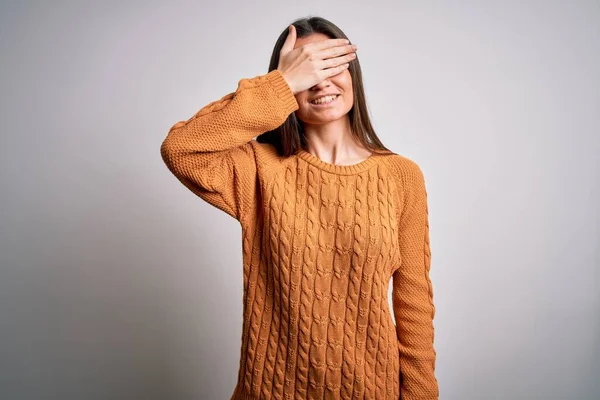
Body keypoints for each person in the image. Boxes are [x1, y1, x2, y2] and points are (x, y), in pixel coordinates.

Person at [160, 16, 439, 400]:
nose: (321, 82)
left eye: (330, 65)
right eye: (307, 71)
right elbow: (181, 148)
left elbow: (414, 305)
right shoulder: (258, 168)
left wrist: (422, 395)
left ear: (352, 72)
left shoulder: (401, 176)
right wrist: (280, 84)